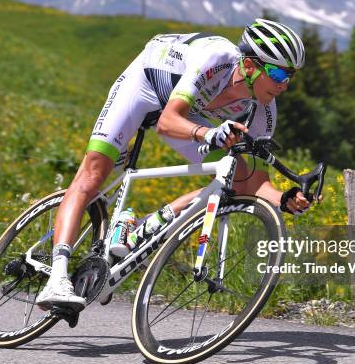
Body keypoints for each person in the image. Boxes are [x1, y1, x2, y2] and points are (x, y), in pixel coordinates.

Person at [36, 18, 312, 310]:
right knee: (93, 175)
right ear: (251, 64)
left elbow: (255, 182)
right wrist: (209, 133)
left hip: (185, 113)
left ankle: (137, 229)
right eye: (279, 72)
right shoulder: (216, 59)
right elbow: (168, 122)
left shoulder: (263, 110)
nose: (284, 84)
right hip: (145, 85)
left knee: (238, 175)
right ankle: (58, 275)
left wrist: (286, 198)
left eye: (291, 76)